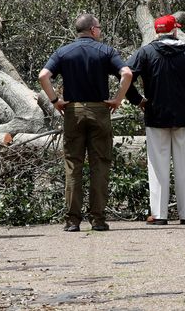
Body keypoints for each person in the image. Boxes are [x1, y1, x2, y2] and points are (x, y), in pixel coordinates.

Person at [38, 14, 133, 232]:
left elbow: (43, 75)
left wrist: (55, 101)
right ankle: (98, 219)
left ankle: (73, 221)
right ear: (92, 30)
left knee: (73, 165)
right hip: (100, 110)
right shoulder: (106, 51)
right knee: (100, 164)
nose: (100, 31)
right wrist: (118, 99)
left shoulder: (63, 52)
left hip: (73, 111)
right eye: (99, 27)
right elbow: (126, 73)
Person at [126, 15, 185, 226]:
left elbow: (126, 74)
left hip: (155, 114)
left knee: (158, 166)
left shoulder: (146, 52)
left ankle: (159, 215)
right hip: (184, 114)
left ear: (157, 32)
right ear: (174, 30)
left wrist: (137, 100)